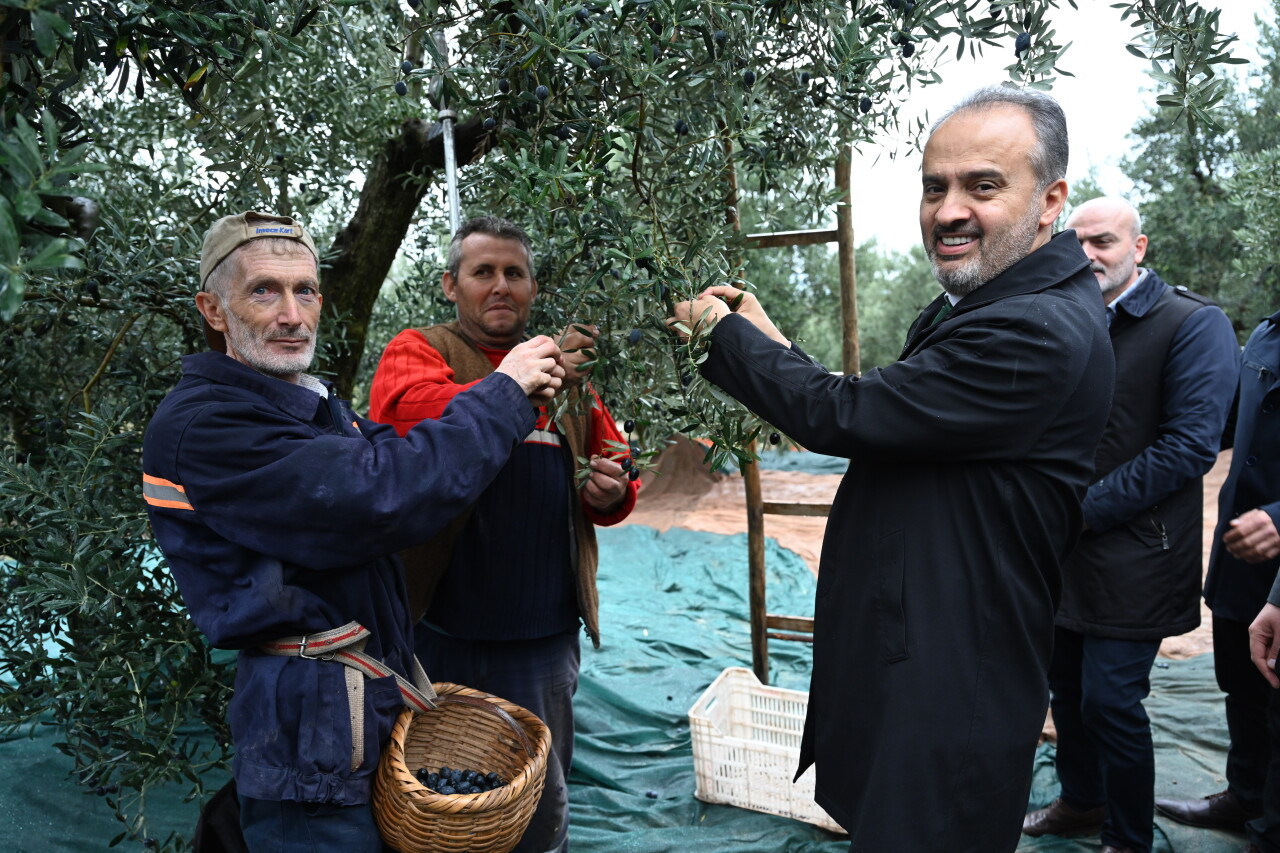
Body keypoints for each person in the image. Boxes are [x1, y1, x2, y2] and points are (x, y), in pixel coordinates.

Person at [668, 84, 1115, 852]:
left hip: (950, 690)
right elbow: (892, 414)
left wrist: (720, 336)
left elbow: (846, 416)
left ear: (1050, 201)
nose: (948, 210)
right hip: (929, 664)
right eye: (934, 186)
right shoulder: (1007, 302)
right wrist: (771, 343)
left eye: (983, 185)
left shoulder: (1033, 330)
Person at [142, 211, 566, 853]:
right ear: (214, 309)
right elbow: (383, 494)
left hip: (350, 714)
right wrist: (504, 389)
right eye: (264, 291)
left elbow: (399, 454)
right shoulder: (207, 427)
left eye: (305, 290)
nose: (292, 314)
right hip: (312, 737)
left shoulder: (297, 405)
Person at [367, 214, 639, 853]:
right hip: (437, 634)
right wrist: (520, 383)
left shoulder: (571, 375)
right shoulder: (419, 349)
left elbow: (618, 464)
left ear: (533, 289)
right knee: (437, 804)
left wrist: (612, 490)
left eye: (513, 273)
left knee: (538, 805)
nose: (499, 286)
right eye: (482, 272)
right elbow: (409, 416)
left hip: (542, 640)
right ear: (449, 285)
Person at [1019, 198, 1239, 853]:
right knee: (1067, 687)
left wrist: (1077, 511)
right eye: (1076, 240)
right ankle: (1082, 802)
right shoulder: (1065, 319)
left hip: (1141, 552)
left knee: (1111, 701)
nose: (1087, 253)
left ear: (1138, 247)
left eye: (1104, 241)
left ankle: (1128, 837)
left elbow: (1189, 447)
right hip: (1063, 553)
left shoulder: (1192, 324)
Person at [1155, 309, 1280, 853]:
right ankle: (1246, 795)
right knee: (1241, 685)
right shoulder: (1267, 333)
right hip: (1240, 554)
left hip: (1274, 542)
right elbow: (1227, 424)